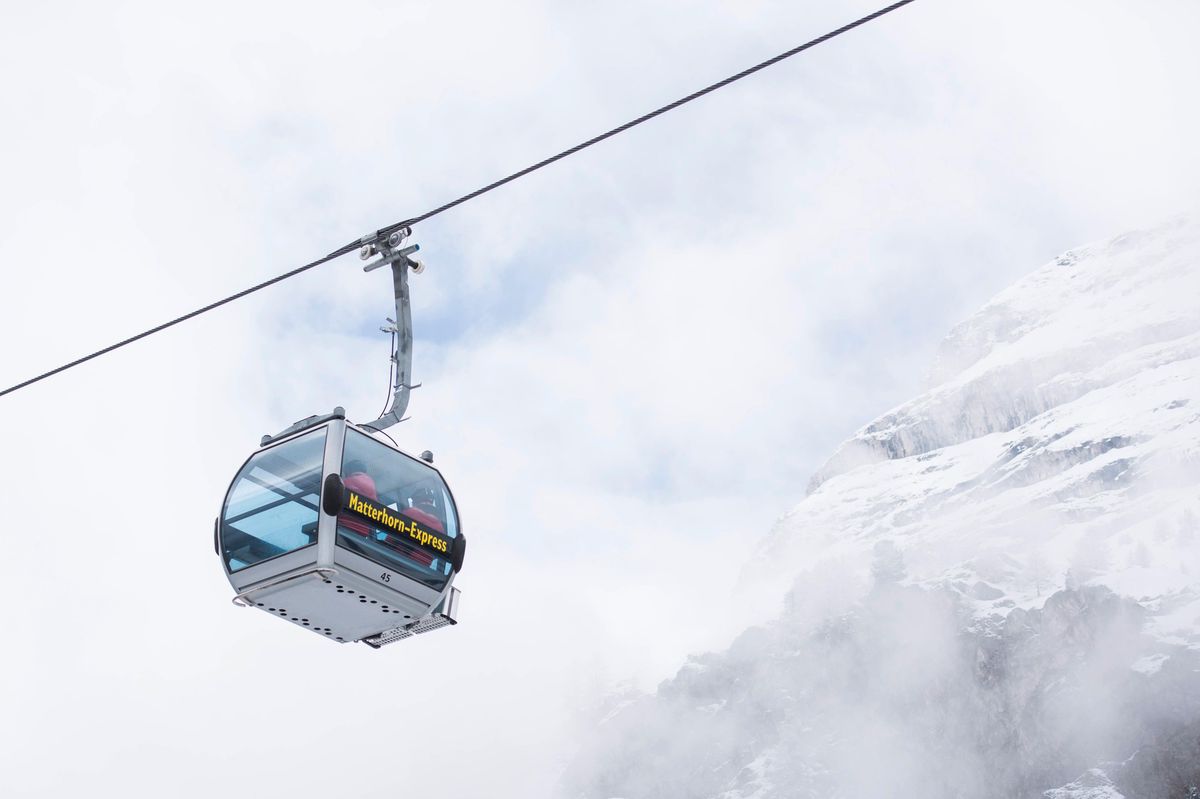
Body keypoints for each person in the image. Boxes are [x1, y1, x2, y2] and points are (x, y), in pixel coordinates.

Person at [338, 460, 377, 537]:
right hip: (363, 531)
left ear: (349, 471)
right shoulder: (371, 485)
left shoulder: (348, 482)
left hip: (347, 526)